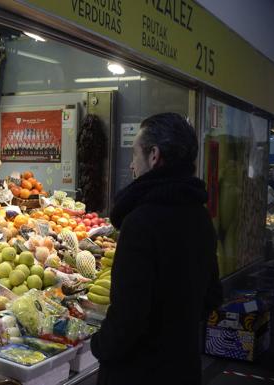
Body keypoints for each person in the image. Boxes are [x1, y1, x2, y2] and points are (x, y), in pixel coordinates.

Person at [90, 113, 222, 385]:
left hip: (137, 373)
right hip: (183, 367)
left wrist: (99, 346)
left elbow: (127, 318)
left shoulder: (140, 222)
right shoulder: (200, 216)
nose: (131, 165)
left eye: (134, 154)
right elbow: (212, 296)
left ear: (154, 155)